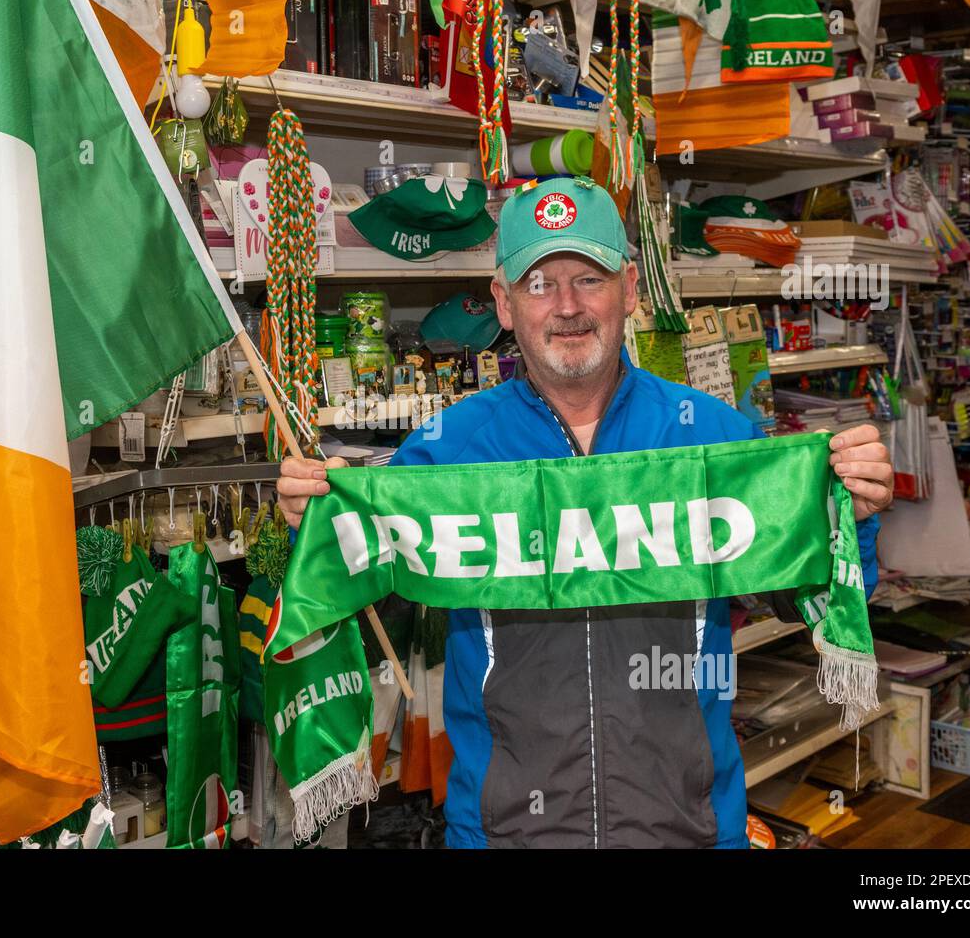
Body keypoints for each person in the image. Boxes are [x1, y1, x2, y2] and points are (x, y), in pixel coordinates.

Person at [277, 176, 893, 848]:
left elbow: (792, 589)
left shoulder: (711, 437)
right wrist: (320, 529)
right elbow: (382, 615)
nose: (566, 306)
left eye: (589, 279)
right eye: (539, 284)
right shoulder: (446, 454)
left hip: (686, 826)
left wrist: (847, 514)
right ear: (504, 304)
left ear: (630, 289)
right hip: (504, 832)